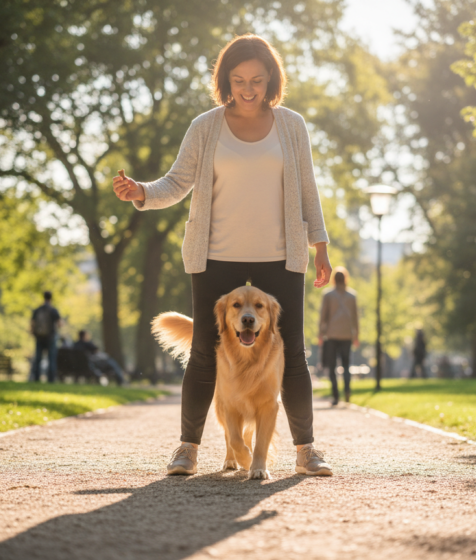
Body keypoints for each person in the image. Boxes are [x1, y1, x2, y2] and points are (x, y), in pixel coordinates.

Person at [113, 34, 334, 477]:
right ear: (225, 81)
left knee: (291, 353)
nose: (248, 89)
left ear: (270, 78)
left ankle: (306, 449)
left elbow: (308, 190)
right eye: (238, 80)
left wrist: (321, 247)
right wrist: (141, 192)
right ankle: (187, 449)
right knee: (203, 352)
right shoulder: (206, 126)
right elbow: (176, 183)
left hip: (279, 257)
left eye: (256, 79)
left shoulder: (292, 126)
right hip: (215, 257)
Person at [319, 267, 359, 405]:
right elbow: (355, 318)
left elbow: (323, 316)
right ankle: (347, 391)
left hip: (332, 335)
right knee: (346, 366)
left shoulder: (328, 295)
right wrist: (356, 336)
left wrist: (320, 334)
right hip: (347, 335)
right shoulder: (352, 296)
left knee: (332, 367)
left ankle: (336, 396)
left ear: (334, 279)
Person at [29, 291, 61, 382]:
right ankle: (51, 379)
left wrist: (33, 333)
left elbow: (32, 323)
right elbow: (59, 324)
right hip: (50, 338)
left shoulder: (38, 310)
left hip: (39, 337)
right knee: (51, 359)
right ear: (51, 298)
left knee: (38, 358)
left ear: (43, 297)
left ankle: (36, 378)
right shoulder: (53, 310)